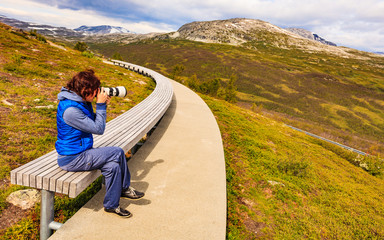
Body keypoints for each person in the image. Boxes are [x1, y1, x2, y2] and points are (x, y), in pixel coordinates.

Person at [55, 69, 144, 218]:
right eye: (94, 91)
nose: (97, 93)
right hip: (73, 158)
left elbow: (90, 122)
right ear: (84, 90)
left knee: (113, 167)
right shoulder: (70, 110)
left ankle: (111, 205)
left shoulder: (79, 100)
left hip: (82, 152)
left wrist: (102, 105)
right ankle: (124, 189)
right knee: (117, 151)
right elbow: (98, 129)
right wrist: (101, 106)